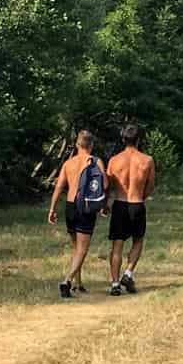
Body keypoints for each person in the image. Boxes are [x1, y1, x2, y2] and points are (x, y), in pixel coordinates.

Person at [47, 130, 102, 299]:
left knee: (75, 247)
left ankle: (78, 283)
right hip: (85, 205)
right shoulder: (96, 161)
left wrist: (52, 209)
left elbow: (59, 187)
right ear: (91, 145)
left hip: (70, 206)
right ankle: (67, 280)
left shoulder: (68, 164)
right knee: (82, 248)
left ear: (77, 145)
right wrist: (103, 204)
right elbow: (103, 184)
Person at [104, 124, 156, 295]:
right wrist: (141, 197)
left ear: (123, 139)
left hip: (119, 203)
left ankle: (114, 284)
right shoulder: (147, 160)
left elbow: (109, 186)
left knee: (117, 245)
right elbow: (150, 186)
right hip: (137, 203)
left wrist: (107, 204)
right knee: (138, 241)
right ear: (139, 140)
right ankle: (128, 273)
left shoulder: (114, 160)